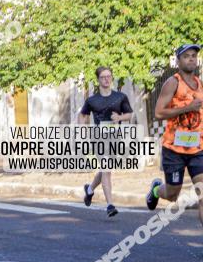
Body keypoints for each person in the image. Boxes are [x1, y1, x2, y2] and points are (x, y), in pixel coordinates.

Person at [146, 44, 203, 227]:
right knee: (172, 195)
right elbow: (159, 113)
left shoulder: (200, 83)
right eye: (186, 56)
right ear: (178, 61)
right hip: (174, 149)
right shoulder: (173, 82)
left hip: (197, 148)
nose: (191, 59)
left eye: (194, 56)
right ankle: (156, 190)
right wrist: (187, 107)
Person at [78, 67, 132, 217]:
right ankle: (110, 205)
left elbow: (129, 114)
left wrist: (120, 118)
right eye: (103, 77)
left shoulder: (120, 97)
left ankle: (89, 190)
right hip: (99, 138)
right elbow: (82, 115)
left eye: (109, 76)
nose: (106, 79)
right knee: (107, 169)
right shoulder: (92, 100)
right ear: (98, 80)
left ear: (112, 78)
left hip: (115, 137)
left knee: (105, 169)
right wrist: (83, 130)